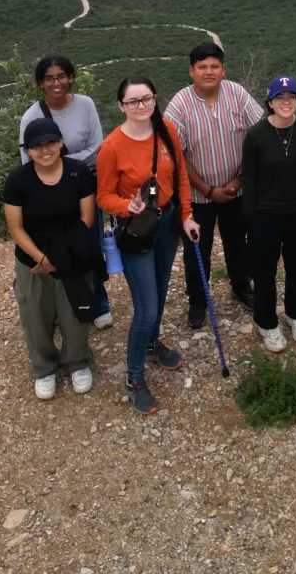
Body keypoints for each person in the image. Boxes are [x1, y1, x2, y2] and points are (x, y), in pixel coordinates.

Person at [97, 76, 200, 414]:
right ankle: (135, 376)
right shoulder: (112, 146)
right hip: (136, 228)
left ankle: (153, 345)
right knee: (147, 307)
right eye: (133, 102)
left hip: (167, 222)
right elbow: (103, 196)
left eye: (147, 99)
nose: (141, 106)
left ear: (155, 99)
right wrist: (125, 205)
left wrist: (186, 216)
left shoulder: (167, 130)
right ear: (121, 106)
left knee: (160, 287)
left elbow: (180, 177)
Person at [165, 41, 264, 330]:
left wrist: (240, 180)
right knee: (198, 247)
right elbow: (176, 156)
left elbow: (259, 135)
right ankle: (197, 299)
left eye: (214, 66)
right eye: (202, 67)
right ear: (191, 71)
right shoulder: (180, 104)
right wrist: (208, 190)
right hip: (197, 194)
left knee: (238, 241)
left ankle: (241, 285)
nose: (209, 72)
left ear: (223, 69)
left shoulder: (237, 93)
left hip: (237, 188)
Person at [3, 117, 99, 400]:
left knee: (75, 311)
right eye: (37, 145)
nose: (45, 150)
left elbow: (87, 218)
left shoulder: (78, 172)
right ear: (28, 150)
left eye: (51, 143)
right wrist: (41, 258)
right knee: (35, 313)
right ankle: (43, 366)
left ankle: (77, 361)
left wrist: (58, 256)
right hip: (32, 261)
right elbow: (15, 227)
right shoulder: (18, 180)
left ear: (61, 143)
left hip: (72, 254)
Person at [18, 55, 110, 329]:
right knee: (54, 249)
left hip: (85, 188)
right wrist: (62, 167)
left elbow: (98, 147)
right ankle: (60, 307)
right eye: (49, 78)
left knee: (88, 246)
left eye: (61, 76)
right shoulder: (31, 116)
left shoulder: (86, 105)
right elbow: (28, 160)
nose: (56, 83)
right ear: (40, 83)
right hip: (48, 196)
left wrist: (61, 165)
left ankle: (98, 303)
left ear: (71, 78)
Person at [242, 76, 296, 352]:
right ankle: (266, 322)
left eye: (291, 97)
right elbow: (248, 181)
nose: (286, 102)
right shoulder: (255, 136)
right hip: (265, 214)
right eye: (279, 98)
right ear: (270, 103)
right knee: (264, 270)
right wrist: (249, 219)